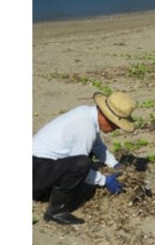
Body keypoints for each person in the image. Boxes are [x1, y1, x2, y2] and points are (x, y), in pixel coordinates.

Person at [33, 91, 137, 225]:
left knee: (86, 159)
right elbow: (79, 164)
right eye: (116, 124)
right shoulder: (85, 127)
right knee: (82, 163)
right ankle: (55, 211)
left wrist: (114, 164)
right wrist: (104, 180)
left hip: (39, 166)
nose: (116, 128)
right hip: (35, 171)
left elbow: (97, 145)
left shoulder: (87, 113)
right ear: (106, 116)